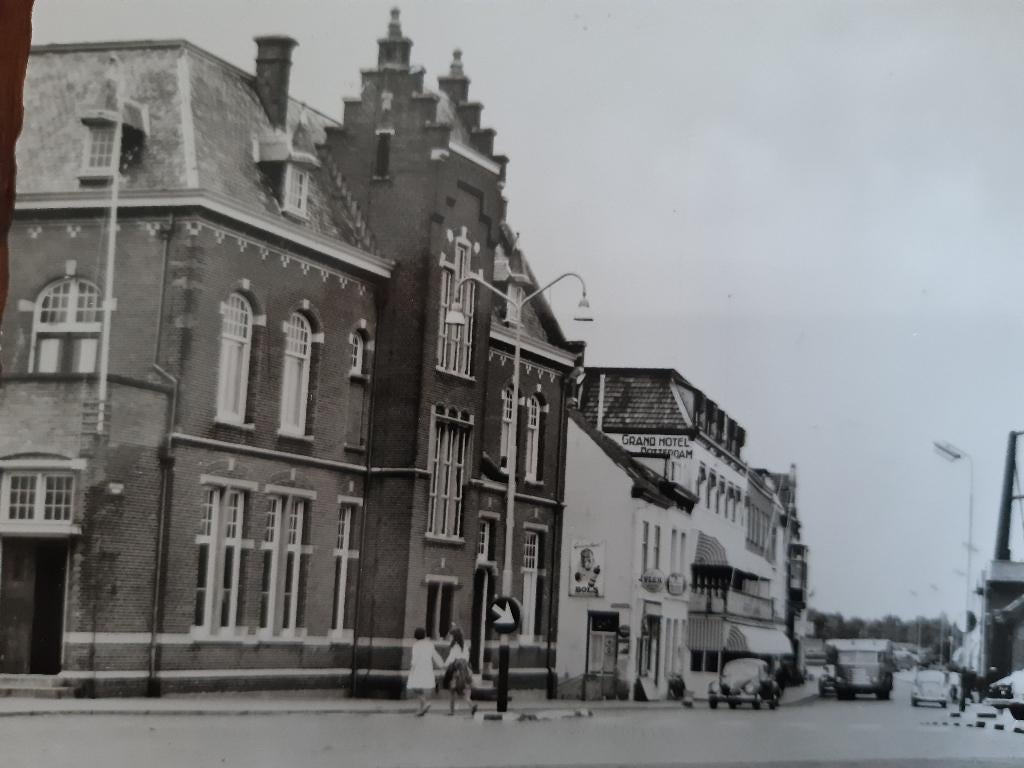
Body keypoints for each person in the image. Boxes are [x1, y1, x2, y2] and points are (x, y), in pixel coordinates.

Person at [408, 627, 444, 716]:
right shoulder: (429, 644)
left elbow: (415, 658)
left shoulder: (416, 645)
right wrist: (441, 665)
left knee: (415, 687)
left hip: (418, 669)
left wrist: (412, 668)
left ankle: (425, 703)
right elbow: (435, 655)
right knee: (420, 688)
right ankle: (421, 709)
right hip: (427, 669)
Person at [444, 626, 477, 716]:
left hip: (455, 670)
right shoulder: (464, 646)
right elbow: (466, 658)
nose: (449, 637)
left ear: (454, 636)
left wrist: (444, 665)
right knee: (461, 689)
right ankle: (471, 705)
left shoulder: (455, 647)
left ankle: (453, 711)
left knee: (453, 690)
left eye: (450, 636)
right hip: (464, 670)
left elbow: (451, 659)